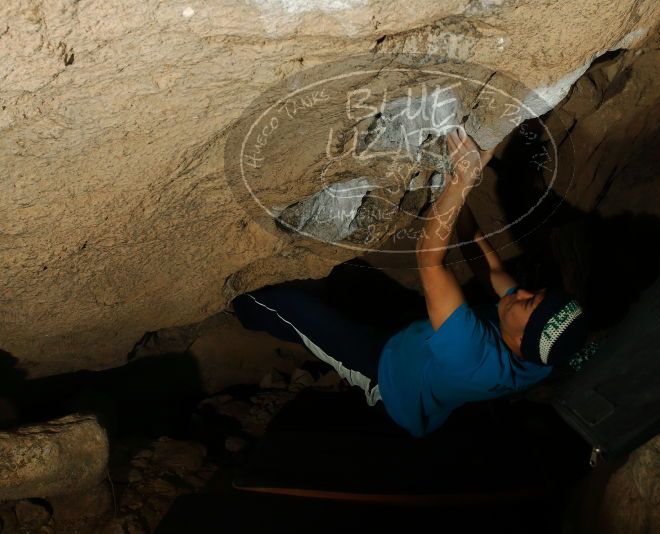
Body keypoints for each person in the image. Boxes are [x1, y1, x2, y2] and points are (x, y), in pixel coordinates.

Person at [232, 126, 589, 437]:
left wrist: (459, 182)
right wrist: (458, 188)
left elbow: (429, 260)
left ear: (520, 339)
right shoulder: (538, 348)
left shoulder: (473, 356)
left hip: (383, 375)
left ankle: (240, 305)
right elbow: (485, 263)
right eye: (536, 292)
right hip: (418, 344)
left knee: (290, 307)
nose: (522, 291)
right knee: (358, 299)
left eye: (528, 302)